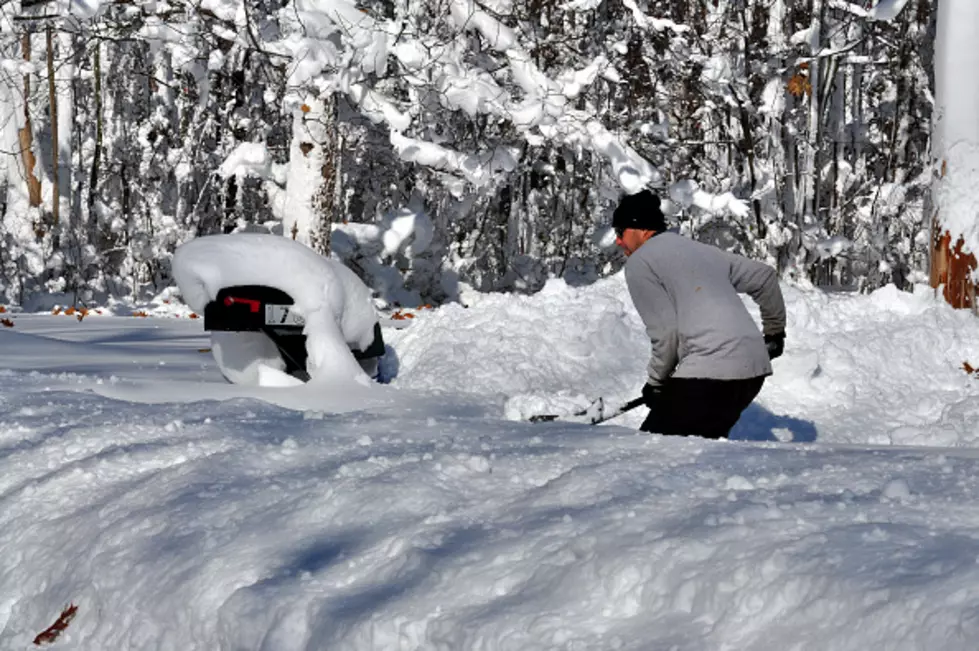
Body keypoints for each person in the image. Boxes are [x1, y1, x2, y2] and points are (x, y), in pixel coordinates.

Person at [613, 189, 786, 439]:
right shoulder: (702, 251)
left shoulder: (641, 263)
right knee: (697, 456)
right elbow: (764, 276)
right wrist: (775, 332)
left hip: (709, 372)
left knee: (652, 455)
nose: (618, 241)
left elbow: (666, 333)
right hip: (752, 372)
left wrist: (656, 383)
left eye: (620, 232)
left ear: (639, 228)